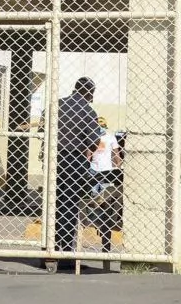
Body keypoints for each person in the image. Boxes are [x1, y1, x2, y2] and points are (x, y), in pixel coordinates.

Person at [47, 77, 100, 269]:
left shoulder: (56, 106)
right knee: (69, 205)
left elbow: (44, 127)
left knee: (52, 204)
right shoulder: (87, 111)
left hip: (54, 158)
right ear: (89, 92)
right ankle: (66, 254)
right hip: (74, 160)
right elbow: (94, 141)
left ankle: (49, 250)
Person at [86, 125, 124, 253]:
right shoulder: (93, 136)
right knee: (94, 197)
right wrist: (87, 164)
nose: (101, 129)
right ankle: (95, 221)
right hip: (93, 169)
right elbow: (89, 152)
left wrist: (118, 165)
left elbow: (116, 153)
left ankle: (102, 222)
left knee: (104, 198)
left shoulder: (110, 137)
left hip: (106, 170)